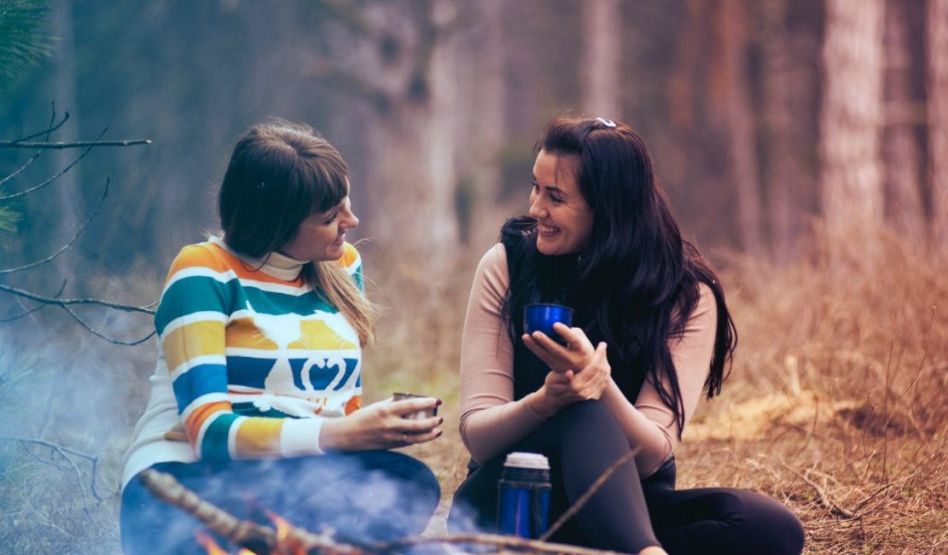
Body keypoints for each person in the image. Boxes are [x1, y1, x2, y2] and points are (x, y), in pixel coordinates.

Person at [450, 116, 804, 555]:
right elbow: (479, 437)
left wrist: (602, 386)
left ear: (609, 209)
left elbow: (653, 453)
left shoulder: (686, 295)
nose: (536, 208)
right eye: (536, 187)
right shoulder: (506, 266)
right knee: (578, 409)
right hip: (510, 505)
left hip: (624, 509)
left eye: (555, 197)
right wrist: (548, 402)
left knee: (771, 527)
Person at [120, 120, 442, 554]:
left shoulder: (343, 266)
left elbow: (341, 403)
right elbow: (212, 436)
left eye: (345, 203)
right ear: (275, 224)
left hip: (297, 483)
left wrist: (367, 431)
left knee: (408, 481)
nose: (352, 221)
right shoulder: (203, 272)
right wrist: (342, 435)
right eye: (330, 217)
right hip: (187, 483)